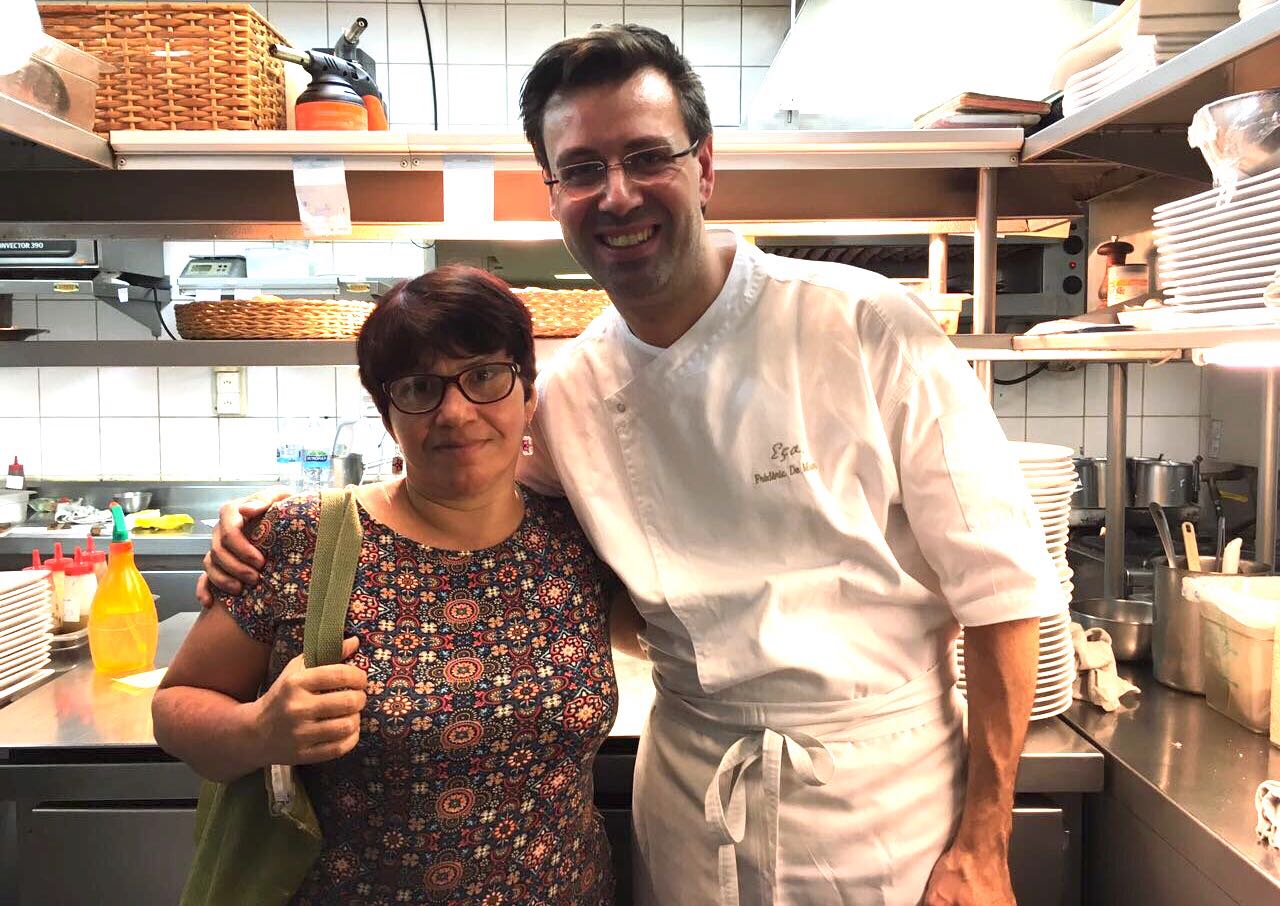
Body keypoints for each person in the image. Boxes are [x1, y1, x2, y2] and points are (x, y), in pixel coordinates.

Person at [200, 25, 1063, 906]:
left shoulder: (866, 324)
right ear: (553, 192)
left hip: (886, 799)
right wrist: (284, 530)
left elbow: (1003, 592)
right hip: (692, 790)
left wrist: (984, 842)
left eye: (647, 157)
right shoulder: (571, 390)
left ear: (704, 166)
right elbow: (461, 498)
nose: (616, 195)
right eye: (581, 169)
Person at [155, 266, 624, 905]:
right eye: (420, 387)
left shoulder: (580, 536)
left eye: (485, 375)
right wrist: (258, 730)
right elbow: (176, 706)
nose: (455, 412)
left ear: (528, 395)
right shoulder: (305, 539)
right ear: (388, 414)